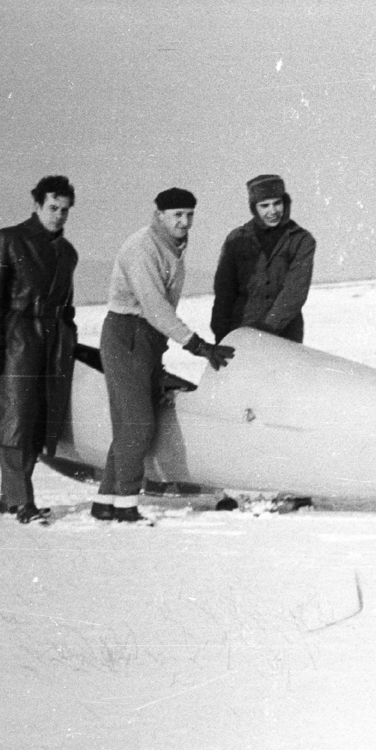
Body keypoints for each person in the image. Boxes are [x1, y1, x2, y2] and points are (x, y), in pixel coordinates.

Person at [94, 188, 235, 523]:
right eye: (177, 215)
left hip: (148, 339)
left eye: (189, 215)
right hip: (127, 334)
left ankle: (105, 501)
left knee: (129, 425)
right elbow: (155, 308)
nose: (184, 222)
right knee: (139, 425)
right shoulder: (142, 247)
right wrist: (198, 346)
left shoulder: (172, 246)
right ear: (159, 215)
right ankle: (125, 506)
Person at [0, 175, 80, 525]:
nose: (58, 215)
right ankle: (21, 501)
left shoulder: (67, 253)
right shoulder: (8, 240)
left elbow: (68, 305)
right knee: (14, 423)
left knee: (37, 424)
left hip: (52, 344)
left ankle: (9, 499)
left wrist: (69, 337)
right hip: (16, 341)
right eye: (52, 208)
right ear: (36, 205)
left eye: (64, 210)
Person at [210, 173, 317, 344]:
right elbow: (224, 290)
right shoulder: (236, 239)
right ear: (254, 208)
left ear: (285, 202)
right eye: (264, 205)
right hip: (242, 330)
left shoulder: (301, 240)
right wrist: (221, 334)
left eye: (277, 203)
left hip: (285, 333)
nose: (272, 211)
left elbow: (295, 291)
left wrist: (269, 328)